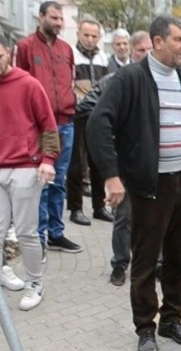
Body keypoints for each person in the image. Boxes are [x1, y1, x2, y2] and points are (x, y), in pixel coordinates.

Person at [86, 16, 181, 351]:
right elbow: (98, 122)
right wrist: (111, 175)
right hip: (148, 186)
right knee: (144, 260)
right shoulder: (130, 78)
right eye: (179, 39)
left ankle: (172, 319)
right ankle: (145, 328)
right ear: (157, 42)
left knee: (179, 258)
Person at [0, 32, 59, 316]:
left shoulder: (29, 85)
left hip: (26, 169)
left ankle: (34, 284)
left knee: (27, 233)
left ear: (9, 53)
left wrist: (48, 159)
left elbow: (48, 126)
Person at [75, 30, 152, 287]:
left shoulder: (163, 81)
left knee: (157, 216)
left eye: (151, 50)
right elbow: (88, 107)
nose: (147, 56)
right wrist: (116, 124)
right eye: (141, 51)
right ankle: (120, 263)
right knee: (124, 216)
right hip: (125, 162)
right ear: (131, 51)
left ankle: (158, 263)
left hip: (153, 163)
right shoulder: (116, 80)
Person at [15, 0, 82, 254]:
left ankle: (56, 233)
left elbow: (71, 81)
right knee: (41, 181)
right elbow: (17, 86)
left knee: (59, 180)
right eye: (54, 18)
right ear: (41, 16)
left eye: (60, 19)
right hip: (39, 126)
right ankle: (39, 237)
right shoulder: (24, 47)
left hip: (65, 122)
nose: (58, 23)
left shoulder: (66, 49)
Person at [67, 19, 111, 227]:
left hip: (99, 116)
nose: (90, 39)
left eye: (94, 36)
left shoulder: (104, 58)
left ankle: (99, 206)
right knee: (76, 163)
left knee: (99, 162)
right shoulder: (71, 55)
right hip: (77, 114)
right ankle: (76, 208)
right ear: (78, 34)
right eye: (86, 35)